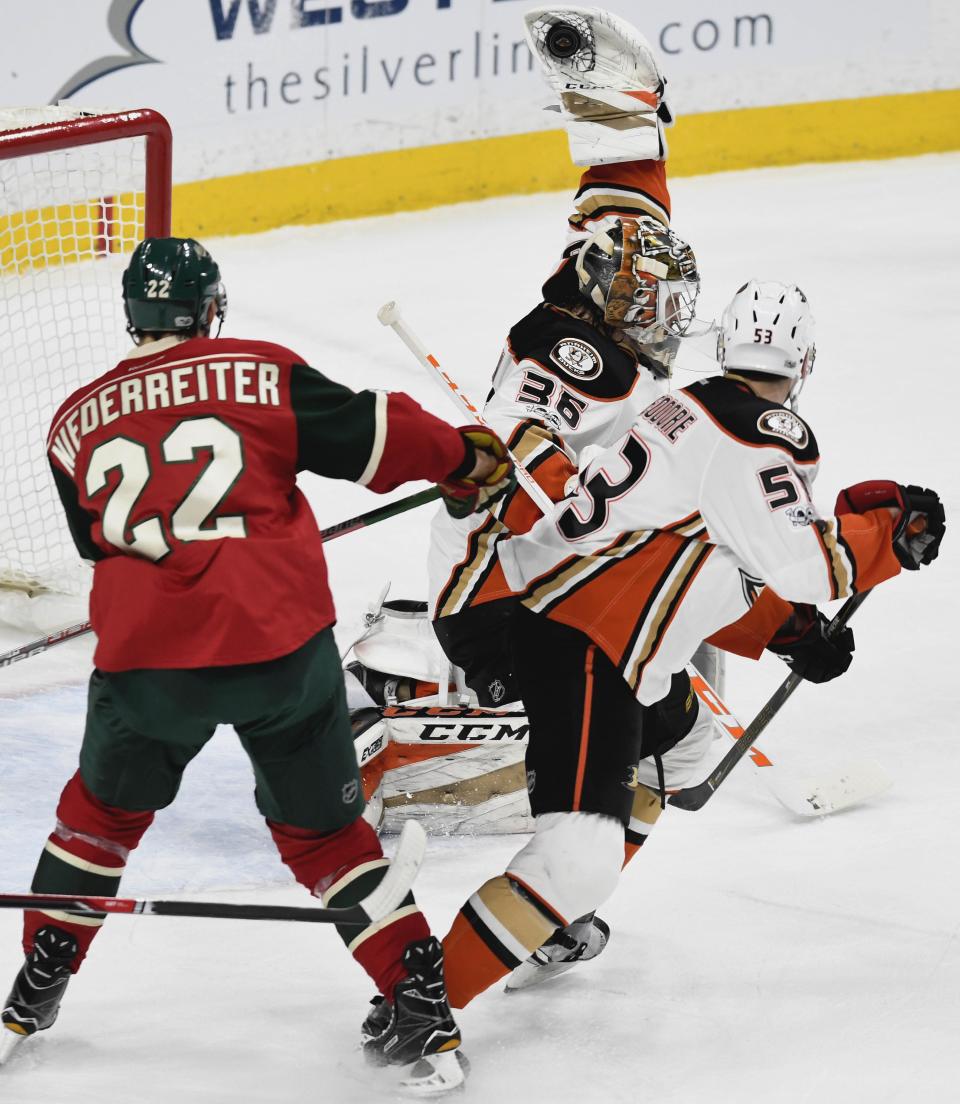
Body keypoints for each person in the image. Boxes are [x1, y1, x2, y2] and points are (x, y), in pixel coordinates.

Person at [348, 5, 811, 989]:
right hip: (515, 598)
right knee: (675, 749)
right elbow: (539, 490)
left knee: (668, 693)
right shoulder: (576, 373)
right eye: (654, 307)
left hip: (520, 568)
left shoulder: (585, 297)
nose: (670, 319)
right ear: (611, 310)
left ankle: (550, 882)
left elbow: (622, 225)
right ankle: (548, 902)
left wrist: (617, 116)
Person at [0, 236, 513, 1094]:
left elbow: (100, 539)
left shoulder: (70, 425)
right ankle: (416, 990)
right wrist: (462, 461)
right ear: (209, 310)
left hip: (147, 660)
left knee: (98, 819)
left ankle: (38, 978)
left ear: (134, 316)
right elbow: (377, 436)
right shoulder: (257, 371)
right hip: (277, 644)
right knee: (323, 834)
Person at [437, 268, 946, 1011]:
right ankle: (418, 1003)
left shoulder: (680, 408)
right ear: (804, 364)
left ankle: (544, 920)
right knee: (576, 860)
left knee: (679, 743)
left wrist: (789, 629)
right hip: (584, 640)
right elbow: (801, 561)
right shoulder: (761, 433)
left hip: (575, 614)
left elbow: (690, 558)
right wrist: (887, 540)